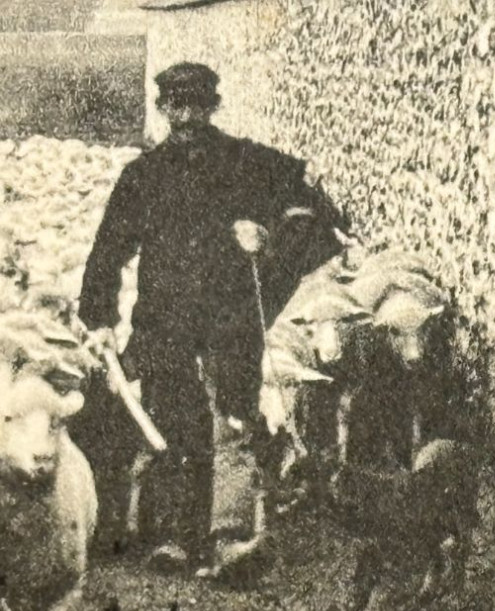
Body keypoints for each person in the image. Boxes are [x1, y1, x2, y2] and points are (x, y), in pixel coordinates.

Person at [78, 61, 345, 573]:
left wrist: (267, 234)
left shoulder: (247, 161)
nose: (186, 117)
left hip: (231, 316)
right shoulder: (142, 177)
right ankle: (178, 541)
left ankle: (229, 537)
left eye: (197, 104)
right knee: (176, 422)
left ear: (214, 106)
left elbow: (315, 206)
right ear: (162, 109)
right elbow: (107, 252)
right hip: (163, 318)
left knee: (233, 420)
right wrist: (100, 316)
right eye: (176, 105)